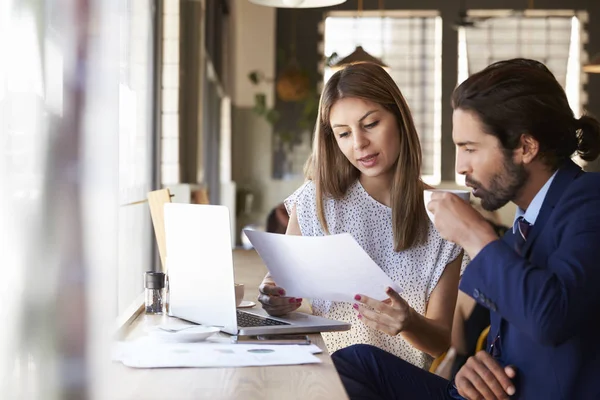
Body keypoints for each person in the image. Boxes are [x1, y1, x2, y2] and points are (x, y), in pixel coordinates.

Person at [331, 57, 600, 400]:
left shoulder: (589, 202)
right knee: (353, 362)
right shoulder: (527, 218)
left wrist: (474, 233)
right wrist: (479, 364)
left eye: (470, 148)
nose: (460, 167)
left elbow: (551, 316)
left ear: (525, 147)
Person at [257, 62, 465, 370]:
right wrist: (276, 297)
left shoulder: (441, 217)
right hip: (327, 377)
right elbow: (283, 287)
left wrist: (408, 322)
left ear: (399, 119)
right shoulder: (315, 202)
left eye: (370, 124)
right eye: (343, 133)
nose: (359, 144)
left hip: (397, 387)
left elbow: (438, 344)